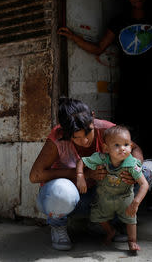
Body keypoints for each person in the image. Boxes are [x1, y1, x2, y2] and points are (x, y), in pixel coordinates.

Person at [57, 0, 152, 159]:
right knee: (124, 137)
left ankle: (149, 179)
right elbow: (99, 48)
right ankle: (126, 179)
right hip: (129, 88)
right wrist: (73, 37)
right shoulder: (120, 21)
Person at [29, 97, 143, 250]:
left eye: (88, 132)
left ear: (93, 118)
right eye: (77, 137)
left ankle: (109, 224)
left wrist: (136, 168)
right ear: (66, 132)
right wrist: (84, 174)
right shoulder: (58, 138)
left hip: (100, 196)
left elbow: (135, 148)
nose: (85, 140)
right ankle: (58, 226)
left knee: (148, 171)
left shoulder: (105, 129)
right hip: (72, 200)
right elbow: (35, 175)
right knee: (60, 190)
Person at [76, 125, 149, 252]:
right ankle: (111, 231)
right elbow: (81, 161)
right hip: (104, 198)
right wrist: (80, 175)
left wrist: (136, 202)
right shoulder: (101, 158)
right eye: (116, 145)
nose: (122, 149)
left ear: (131, 146)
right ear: (105, 148)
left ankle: (132, 241)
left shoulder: (131, 163)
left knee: (131, 219)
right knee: (98, 216)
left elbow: (144, 184)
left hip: (125, 197)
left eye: (126, 144)